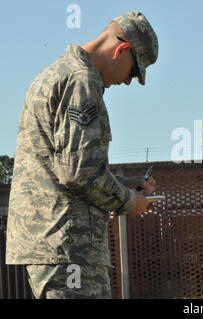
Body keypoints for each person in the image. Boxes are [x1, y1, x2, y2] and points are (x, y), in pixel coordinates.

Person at [5, 10, 159, 299]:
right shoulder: (81, 81)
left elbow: (66, 163)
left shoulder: (58, 72)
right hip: (69, 247)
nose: (128, 81)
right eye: (134, 71)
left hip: (56, 241)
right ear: (122, 49)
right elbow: (79, 173)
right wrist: (129, 202)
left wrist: (124, 182)